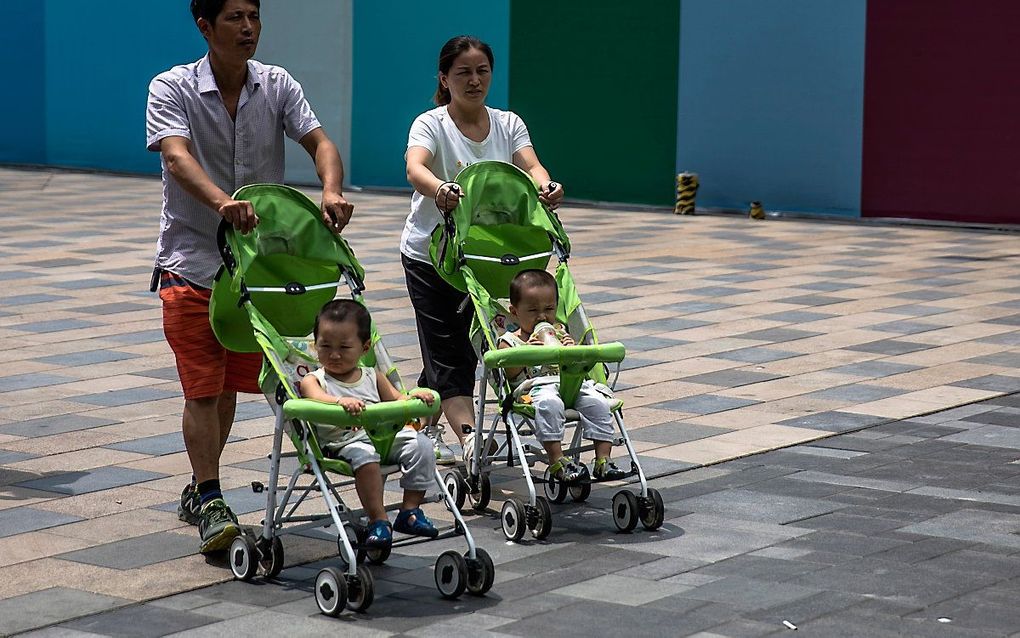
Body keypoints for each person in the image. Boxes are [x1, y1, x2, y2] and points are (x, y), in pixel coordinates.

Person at [146, 0, 354, 554]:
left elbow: (320, 143)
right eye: (235, 17)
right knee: (202, 387)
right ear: (205, 27)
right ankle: (212, 498)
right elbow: (175, 156)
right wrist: (222, 203)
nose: (248, 28)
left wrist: (331, 188)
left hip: (255, 273)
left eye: (254, 17)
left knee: (230, 386)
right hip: (191, 264)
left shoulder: (277, 84)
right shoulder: (171, 86)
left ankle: (198, 484)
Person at [403, 35, 564, 463]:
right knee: (450, 351)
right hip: (432, 256)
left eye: (482, 71)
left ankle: (416, 423)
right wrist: (439, 189)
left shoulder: (509, 123)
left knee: (463, 344)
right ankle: (471, 438)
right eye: (463, 73)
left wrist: (545, 185)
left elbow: (530, 165)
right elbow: (415, 167)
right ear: (444, 78)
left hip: (487, 257)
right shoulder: (431, 123)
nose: (474, 81)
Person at [299, 300, 440, 547]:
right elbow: (316, 399)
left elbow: (398, 399)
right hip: (344, 442)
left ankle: (410, 510)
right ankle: (379, 519)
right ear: (315, 346)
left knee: (423, 446)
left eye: (344, 347)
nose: (334, 354)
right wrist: (339, 401)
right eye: (325, 346)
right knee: (366, 458)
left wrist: (415, 396)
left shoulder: (372, 375)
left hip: (384, 436)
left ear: (365, 348)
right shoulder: (314, 380)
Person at [499, 269, 627, 482]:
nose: (542, 316)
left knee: (599, 404)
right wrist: (528, 353)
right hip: (538, 388)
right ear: (514, 311)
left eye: (549, 309)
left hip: (572, 383)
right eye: (532, 310)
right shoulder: (511, 340)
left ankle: (603, 460)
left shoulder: (559, 331)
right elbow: (508, 372)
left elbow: (580, 364)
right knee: (550, 405)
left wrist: (573, 349)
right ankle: (557, 460)